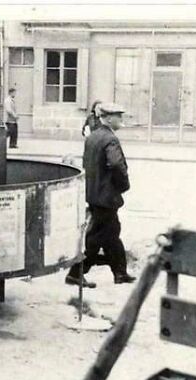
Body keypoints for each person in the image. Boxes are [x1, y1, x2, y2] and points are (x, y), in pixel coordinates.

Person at [65, 103, 135, 288]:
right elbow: (116, 165)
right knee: (96, 238)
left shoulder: (93, 137)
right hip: (106, 197)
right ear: (109, 118)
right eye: (118, 116)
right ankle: (75, 273)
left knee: (112, 234)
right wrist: (123, 185)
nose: (121, 119)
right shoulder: (110, 139)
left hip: (95, 194)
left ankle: (120, 273)